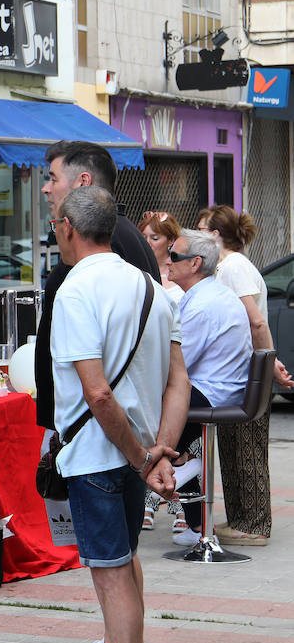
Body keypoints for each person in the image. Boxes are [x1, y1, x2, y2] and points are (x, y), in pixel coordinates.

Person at [50, 187, 188, 643]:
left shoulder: (75, 290)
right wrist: (159, 450)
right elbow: (179, 380)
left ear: (67, 227)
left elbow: (98, 394)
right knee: (124, 567)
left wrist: (140, 458)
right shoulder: (154, 289)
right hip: (136, 453)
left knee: (111, 577)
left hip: (100, 456)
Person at [37, 141, 164, 643]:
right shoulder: (109, 255)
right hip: (112, 437)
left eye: (53, 178)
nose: (46, 188)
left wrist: (143, 454)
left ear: (82, 186)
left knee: (114, 564)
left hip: (106, 440)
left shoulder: (107, 262)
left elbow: (107, 385)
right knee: (113, 561)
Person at [197, 205, 293, 546]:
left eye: (201, 230)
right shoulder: (227, 267)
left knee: (249, 448)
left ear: (215, 235)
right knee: (234, 445)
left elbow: (255, 321)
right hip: (241, 369)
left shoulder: (234, 267)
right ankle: (240, 518)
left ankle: (255, 524)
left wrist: (269, 362)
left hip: (250, 369)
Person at [166, 230, 253, 546]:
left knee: (143, 414)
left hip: (212, 392)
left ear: (195, 264)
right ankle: (183, 471)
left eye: (174, 255)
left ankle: (171, 471)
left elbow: (177, 366)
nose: (167, 260)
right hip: (217, 389)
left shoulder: (203, 304)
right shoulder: (210, 295)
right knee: (166, 426)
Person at [137, 210, 185, 534]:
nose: (148, 243)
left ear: (169, 242)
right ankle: (149, 504)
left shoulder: (176, 286)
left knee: (174, 441)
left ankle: (180, 505)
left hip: (171, 375)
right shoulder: (137, 279)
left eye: (155, 237)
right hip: (147, 377)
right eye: (145, 236)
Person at [139, 211, 184, 305]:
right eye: (143, 238)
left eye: (154, 238)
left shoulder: (183, 268)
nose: (147, 243)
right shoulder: (135, 269)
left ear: (171, 240)